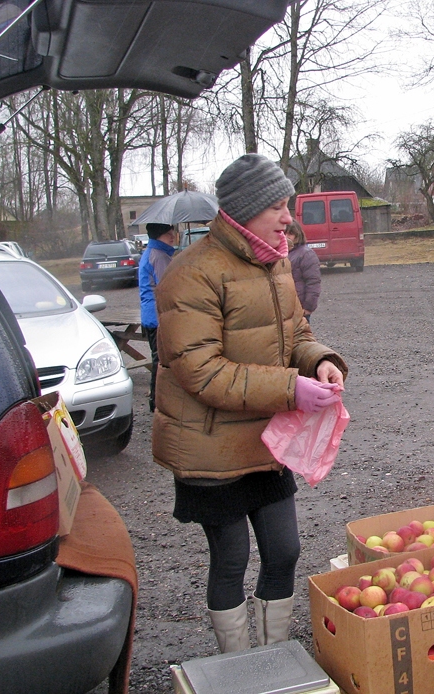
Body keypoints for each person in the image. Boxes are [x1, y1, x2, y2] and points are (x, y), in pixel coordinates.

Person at [151, 153, 348, 654]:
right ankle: (238, 668)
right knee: (232, 557)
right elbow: (199, 369)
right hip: (209, 445)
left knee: (285, 551)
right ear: (244, 210)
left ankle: (274, 656)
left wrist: (318, 362)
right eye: (278, 207)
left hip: (264, 437)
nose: (289, 218)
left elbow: (296, 333)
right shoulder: (190, 273)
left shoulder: (275, 259)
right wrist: (290, 389)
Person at [138, 222, 177, 412]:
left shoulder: (154, 253)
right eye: (167, 234)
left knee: (158, 358)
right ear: (158, 236)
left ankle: (157, 399)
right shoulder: (159, 256)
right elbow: (168, 286)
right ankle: (157, 400)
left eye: (172, 232)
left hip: (151, 315)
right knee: (160, 359)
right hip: (158, 315)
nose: (172, 236)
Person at [285, 220, 321, 323]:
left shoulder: (306, 254)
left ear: (298, 235)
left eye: (290, 234)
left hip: (299, 309)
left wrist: (308, 307)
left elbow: (313, 282)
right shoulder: (278, 254)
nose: (286, 236)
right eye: (283, 233)